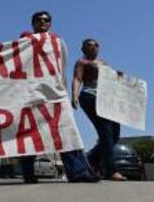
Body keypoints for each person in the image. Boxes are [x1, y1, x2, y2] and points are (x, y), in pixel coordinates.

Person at [19, 11, 99, 183]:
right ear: (32, 23)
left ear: (50, 24)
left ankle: (78, 172)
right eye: (38, 20)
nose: (42, 22)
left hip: (54, 91)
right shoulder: (25, 40)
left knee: (64, 130)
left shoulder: (57, 41)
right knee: (31, 132)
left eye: (46, 20)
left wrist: (64, 90)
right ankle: (28, 172)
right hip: (31, 92)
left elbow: (60, 66)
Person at [72, 38, 127, 181]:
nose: (92, 48)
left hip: (107, 99)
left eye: (95, 45)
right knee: (105, 130)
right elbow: (78, 79)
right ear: (83, 49)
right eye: (88, 46)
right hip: (90, 97)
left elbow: (112, 80)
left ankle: (88, 162)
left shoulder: (104, 63)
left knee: (114, 136)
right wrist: (74, 96)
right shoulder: (82, 62)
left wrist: (118, 75)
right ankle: (111, 170)